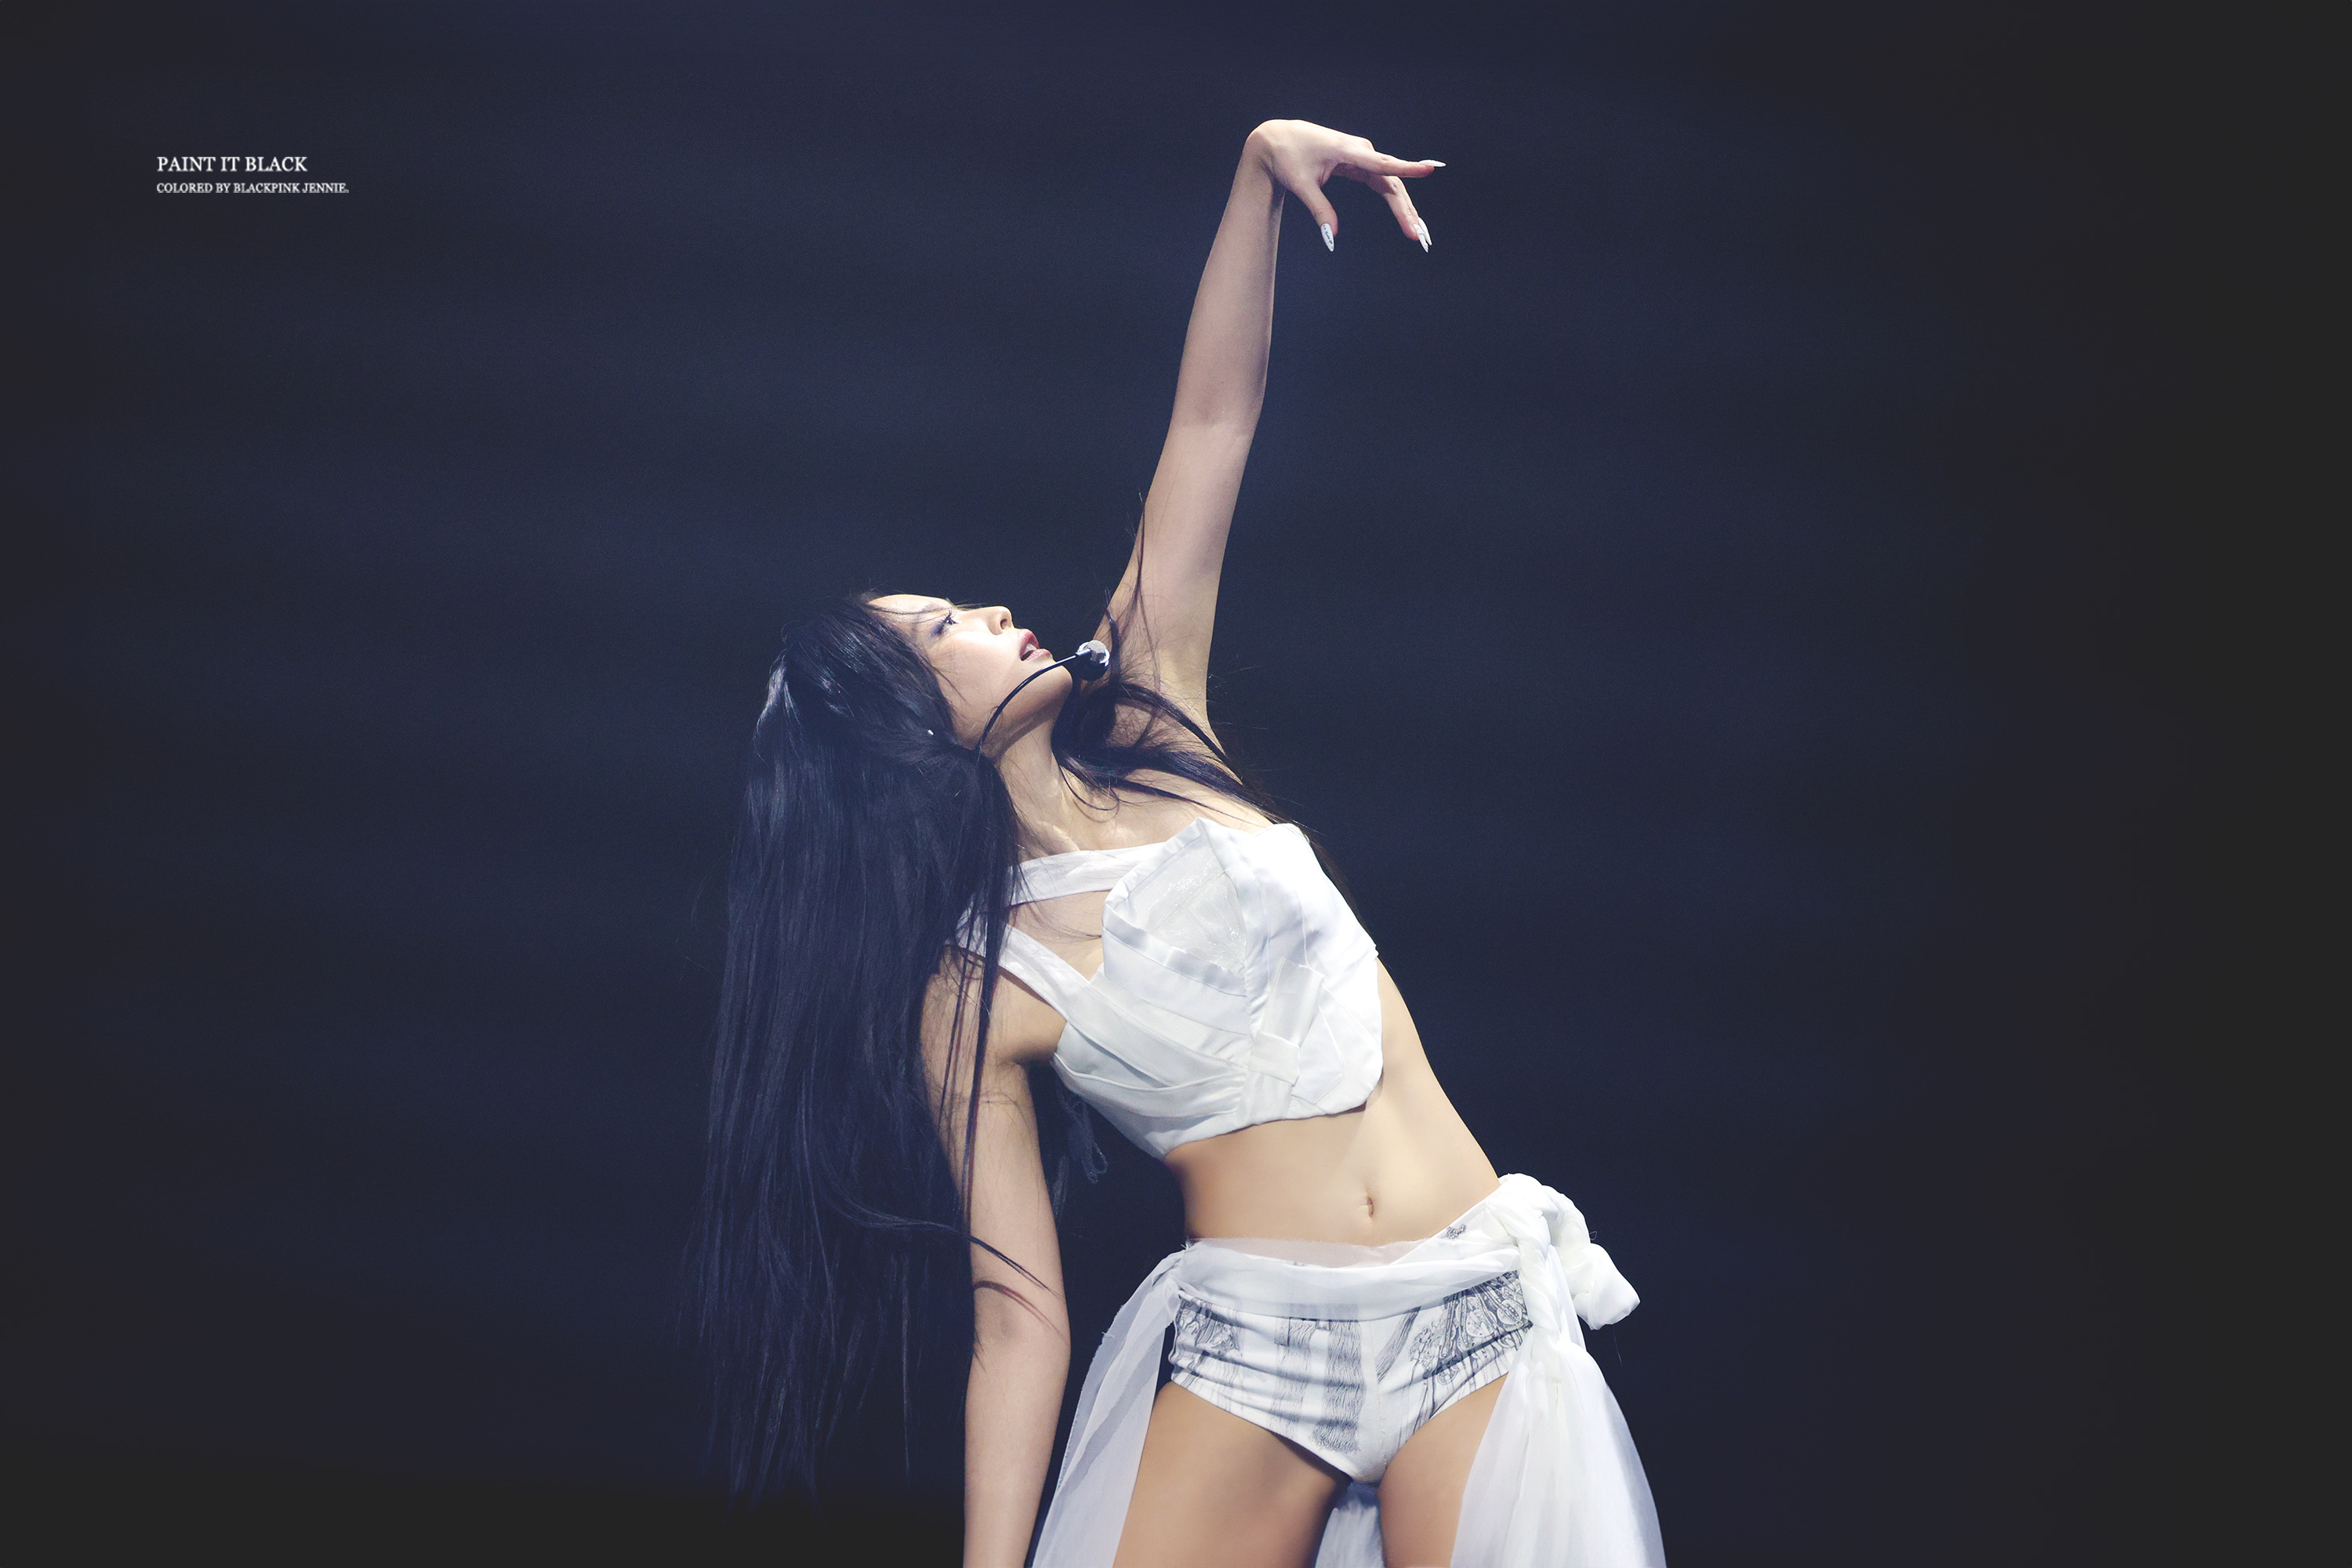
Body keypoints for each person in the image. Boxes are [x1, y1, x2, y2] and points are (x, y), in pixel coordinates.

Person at [695, 119, 1664, 1568]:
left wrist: (1258, 175)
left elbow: (1212, 423)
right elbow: (1017, 1322)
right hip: (1254, 1351)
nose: (990, 612)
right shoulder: (974, 985)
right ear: (907, 733)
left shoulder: (1149, 707)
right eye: (946, 632)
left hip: (1470, 1302)